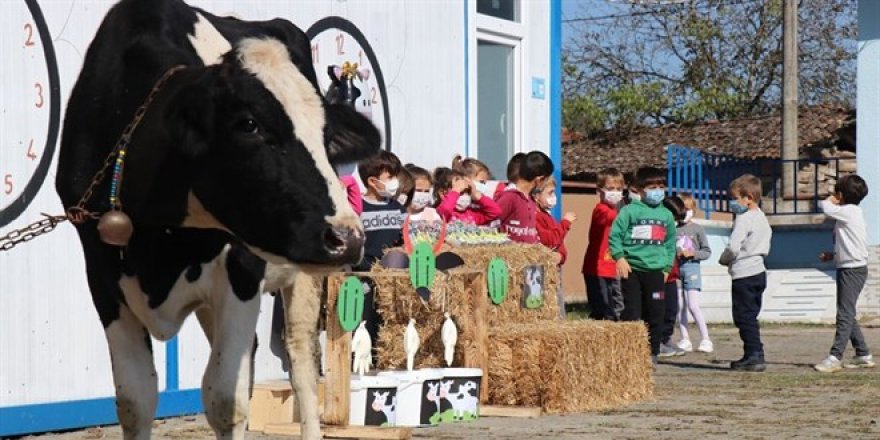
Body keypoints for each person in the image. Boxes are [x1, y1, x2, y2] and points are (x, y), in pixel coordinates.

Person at [609, 167, 676, 365]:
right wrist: (620, 257)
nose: (657, 191)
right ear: (639, 189)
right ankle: (629, 352)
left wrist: (666, 268)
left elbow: (670, 244)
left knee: (656, 312)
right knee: (632, 312)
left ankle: (652, 351)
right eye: (652, 187)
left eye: (661, 187)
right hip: (633, 270)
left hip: (656, 272)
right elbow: (615, 236)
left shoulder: (667, 215)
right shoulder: (629, 211)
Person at [813, 174, 874, 373]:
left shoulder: (849, 211)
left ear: (841, 195)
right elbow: (849, 243)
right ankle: (863, 353)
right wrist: (833, 255)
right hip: (847, 265)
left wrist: (832, 198)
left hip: (853, 270)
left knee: (844, 314)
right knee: (847, 312)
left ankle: (835, 356)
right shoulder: (850, 213)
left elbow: (824, 206)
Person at [718, 174, 772, 372]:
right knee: (751, 314)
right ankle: (753, 352)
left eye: (735, 198)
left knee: (743, 316)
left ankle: (754, 354)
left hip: (744, 273)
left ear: (748, 197)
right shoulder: (762, 218)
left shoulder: (744, 218)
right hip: (759, 270)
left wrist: (724, 259)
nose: (733, 203)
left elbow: (733, 247)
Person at [582, 167, 626, 321]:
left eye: (619, 189)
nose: (615, 192)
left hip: (612, 266)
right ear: (599, 191)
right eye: (610, 188)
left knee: (616, 306)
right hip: (598, 268)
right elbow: (611, 218)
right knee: (602, 309)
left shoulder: (618, 210)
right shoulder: (601, 209)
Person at [534, 175, 577, 318]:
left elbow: (559, 244)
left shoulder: (547, 216)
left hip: (555, 267)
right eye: (550, 192)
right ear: (536, 196)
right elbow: (551, 240)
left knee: (558, 305)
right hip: (546, 269)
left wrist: (562, 256)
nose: (553, 197)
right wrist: (565, 223)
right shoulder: (537, 216)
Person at [675, 192, 713, 353]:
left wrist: (693, 254)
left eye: (688, 208)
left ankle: (706, 339)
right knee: (679, 306)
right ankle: (685, 339)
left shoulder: (697, 229)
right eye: (682, 209)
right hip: (676, 270)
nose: (685, 212)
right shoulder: (673, 229)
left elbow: (707, 251)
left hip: (692, 269)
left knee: (693, 305)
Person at [356, 150, 405, 271]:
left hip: (392, 273)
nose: (395, 181)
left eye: (396, 176)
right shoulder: (357, 208)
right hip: (364, 273)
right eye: (390, 177)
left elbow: (406, 239)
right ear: (372, 181)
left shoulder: (398, 208)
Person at [496, 151, 554, 243]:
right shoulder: (509, 197)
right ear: (539, 180)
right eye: (546, 180)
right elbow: (491, 225)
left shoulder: (531, 200)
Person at [658, 196, 685, 358]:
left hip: (671, 277)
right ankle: (657, 341)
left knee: (671, 309)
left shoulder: (672, 231)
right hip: (659, 276)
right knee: (658, 309)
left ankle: (666, 338)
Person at [435, 167, 501, 225]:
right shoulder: (442, 214)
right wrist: (455, 191)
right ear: (443, 194)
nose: (465, 196)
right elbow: (445, 209)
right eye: (461, 193)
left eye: (468, 192)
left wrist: (476, 194)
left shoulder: (471, 214)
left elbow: (496, 211)